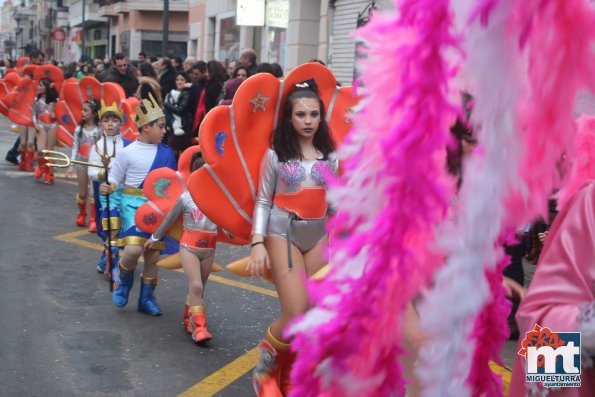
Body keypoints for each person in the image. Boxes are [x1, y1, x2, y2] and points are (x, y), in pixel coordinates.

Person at [249, 83, 339, 396]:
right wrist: (257, 242)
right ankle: (265, 370)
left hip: (319, 236)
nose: (308, 120)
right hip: (282, 232)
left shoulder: (331, 156)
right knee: (295, 311)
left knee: (314, 312)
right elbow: (262, 201)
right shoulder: (276, 155)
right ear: (289, 118)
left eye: (314, 114)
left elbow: (337, 204)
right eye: (300, 114)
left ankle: (291, 375)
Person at [99, 93, 177, 315]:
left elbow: (172, 182)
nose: (164, 131)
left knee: (152, 255)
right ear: (145, 128)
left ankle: (146, 298)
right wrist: (108, 186)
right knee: (133, 250)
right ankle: (123, 283)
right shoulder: (128, 152)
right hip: (132, 205)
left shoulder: (167, 152)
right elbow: (114, 178)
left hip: (157, 206)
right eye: (160, 126)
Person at [144, 151, 218, 343]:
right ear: (193, 176)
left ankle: (189, 319)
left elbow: (228, 222)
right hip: (189, 247)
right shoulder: (186, 198)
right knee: (195, 285)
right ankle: (200, 328)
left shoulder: (220, 200)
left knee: (199, 290)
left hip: (209, 248)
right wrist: (154, 237)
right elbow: (169, 219)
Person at [89, 100, 128, 274]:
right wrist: (105, 174)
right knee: (110, 226)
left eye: (114, 120)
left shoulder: (127, 146)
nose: (110, 123)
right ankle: (110, 261)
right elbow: (91, 172)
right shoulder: (96, 147)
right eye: (106, 120)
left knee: (124, 227)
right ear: (100, 124)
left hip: (126, 194)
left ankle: (113, 257)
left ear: (121, 122)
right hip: (107, 194)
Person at [67, 99, 101, 231]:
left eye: (85, 110)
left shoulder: (98, 130)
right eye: (82, 109)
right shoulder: (78, 130)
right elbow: (75, 146)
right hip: (81, 163)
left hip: (94, 164)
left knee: (93, 193)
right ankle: (81, 214)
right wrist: (71, 163)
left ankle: (94, 219)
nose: (82, 112)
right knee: (82, 193)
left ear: (93, 114)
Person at [33, 78, 59, 184]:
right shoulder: (36, 100)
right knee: (40, 150)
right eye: (38, 85)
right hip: (41, 125)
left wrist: (56, 114)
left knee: (50, 151)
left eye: (41, 85)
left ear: (47, 88)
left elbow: (62, 112)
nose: (38, 87)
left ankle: (49, 174)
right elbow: (33, 114)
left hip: (52, 125)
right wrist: (35, 124)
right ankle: (41, 167)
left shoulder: (56, 100)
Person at [164, 72, 194, 155]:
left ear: (187, 81)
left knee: (180, 152)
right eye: (177, 80)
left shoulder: (187, 93)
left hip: (184, 126)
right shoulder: (172, 93)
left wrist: (166, 104)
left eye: (182, 80)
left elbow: (180, 110)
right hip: (173, 127)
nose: (179, 82)